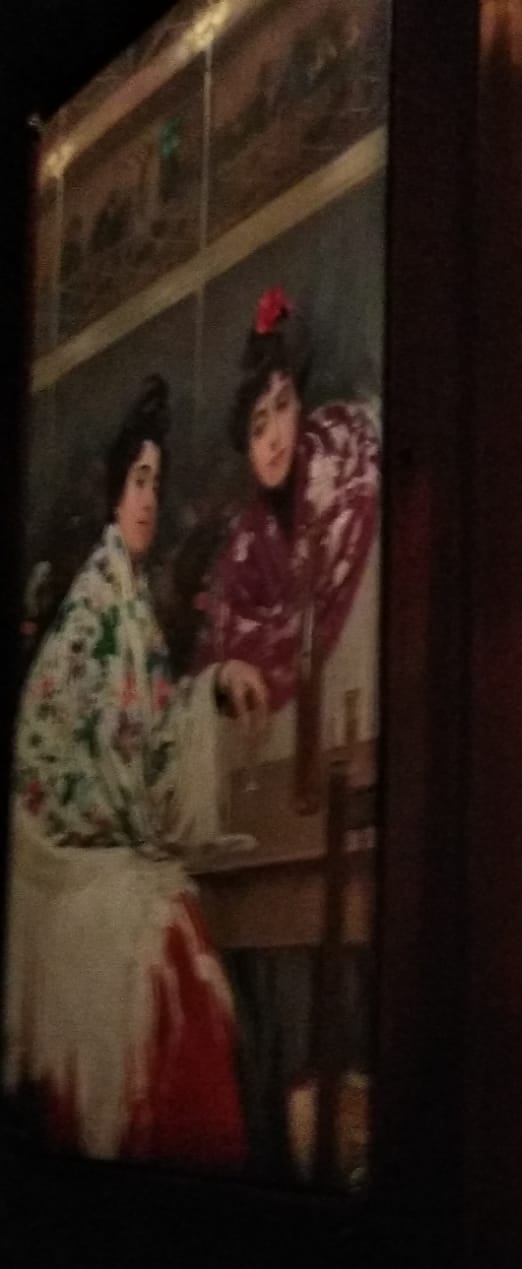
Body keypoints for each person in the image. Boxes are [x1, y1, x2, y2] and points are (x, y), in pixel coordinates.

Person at [7, 376, 268, 1167]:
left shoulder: (134, 609)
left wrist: (213, 685)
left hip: (118, 857)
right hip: (73, 867)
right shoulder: (93, 607)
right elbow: (51, 753)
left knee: (178, 933)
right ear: (116, 492)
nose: (149, 499)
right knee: (159, 942)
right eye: (139, 480)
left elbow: (152, 733)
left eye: (157, 482)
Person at [201, 287, 381, 1179]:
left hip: (351, 769)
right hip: (280, 801)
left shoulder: (347, 482)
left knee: (348, 980)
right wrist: (226, 676)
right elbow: (223, 644)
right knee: (279, 978)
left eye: (281, 409)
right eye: (256, 424)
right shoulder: (244, 549)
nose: (273, 436)